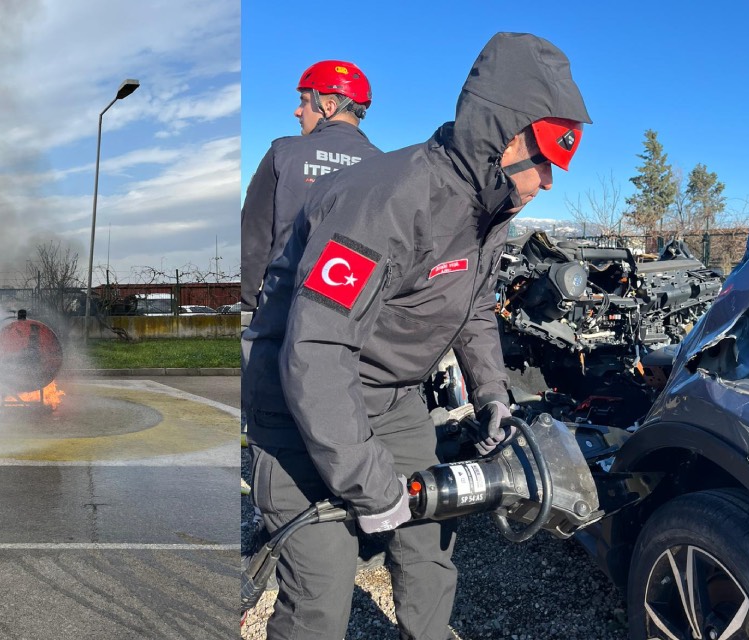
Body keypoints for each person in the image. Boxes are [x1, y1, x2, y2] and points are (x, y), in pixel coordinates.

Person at [242, 33, 591, 639]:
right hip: (300, 402)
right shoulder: (389, 200)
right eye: (545, 162)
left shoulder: (490, 211)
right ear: (501, 136)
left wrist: (492, 397)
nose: (549, 182)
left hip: (395, 397)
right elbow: (317, 349)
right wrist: (369, 484)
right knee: (322, 591)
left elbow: (476, 306)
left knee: (429, 545)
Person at [240, 59, 382, 319]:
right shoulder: (384, 166)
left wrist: (248, 302)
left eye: (304, 101)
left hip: (282, 308)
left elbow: (254, 235)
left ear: (328, 106)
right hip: (352, 313)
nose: (297, 111)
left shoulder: (282, 154)